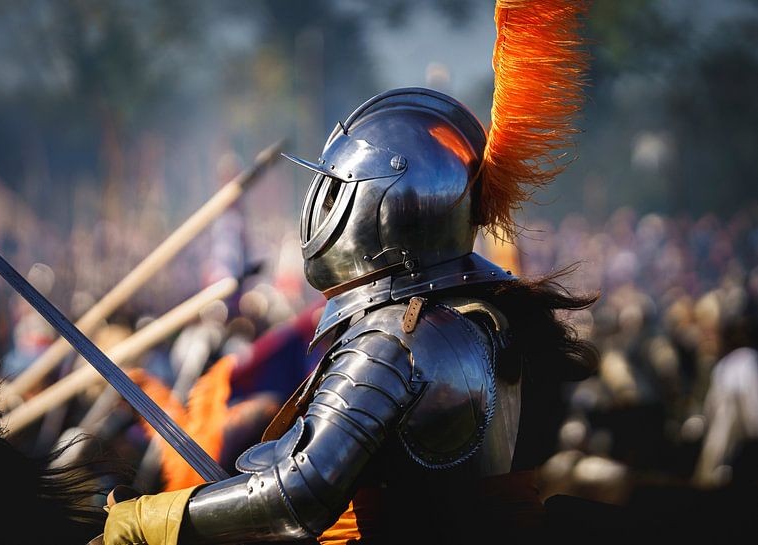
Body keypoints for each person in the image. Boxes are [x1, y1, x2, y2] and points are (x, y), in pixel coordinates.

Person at [103, 2, 595, 543]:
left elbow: (303, 494)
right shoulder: (482, 314)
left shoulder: (397, 338)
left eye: (338, 187)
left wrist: (152, 519)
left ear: (379, 204)